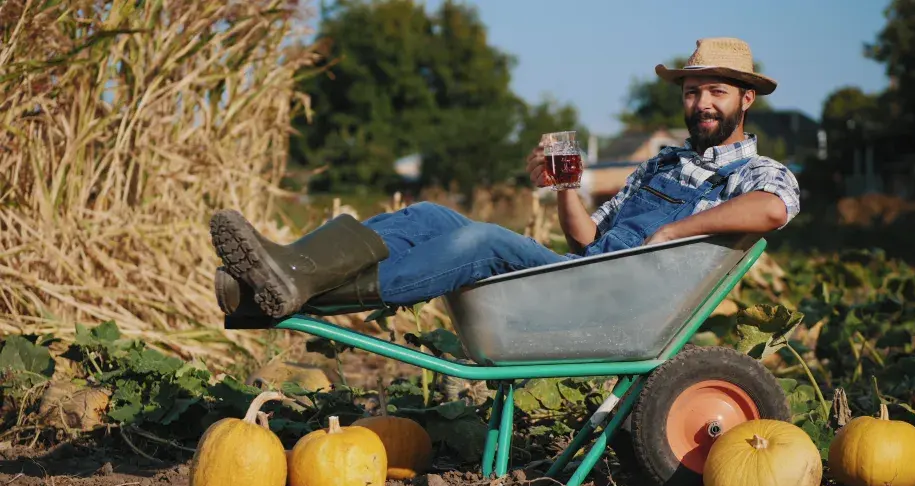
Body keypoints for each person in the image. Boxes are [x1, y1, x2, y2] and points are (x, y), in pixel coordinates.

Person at [211, 37, 800, 321]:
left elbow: (772, 209)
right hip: (588, 272)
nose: (701, 103)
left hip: (619, 302)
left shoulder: (757, 172)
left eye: (716, 92)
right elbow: (585, 242)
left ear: (745, 99)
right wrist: (565, 182)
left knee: (483, 240)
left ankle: (297, 291)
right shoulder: (658, 165)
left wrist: (674, 233)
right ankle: (291, 270)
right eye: (693, 91)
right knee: (431, 215)